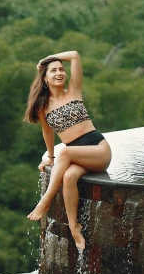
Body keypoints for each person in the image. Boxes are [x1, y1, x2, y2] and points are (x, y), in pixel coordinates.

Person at [23, 51, 112, 250]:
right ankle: (74, 227)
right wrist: (51, 158)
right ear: (44, 78)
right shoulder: (43, 106)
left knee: (65, 153)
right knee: (69, 177)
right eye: (53, 70)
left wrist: (45, 59)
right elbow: (48, 134)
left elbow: (74, 55)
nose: (59, 73)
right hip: (77, 156)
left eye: (61, 69)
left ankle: (45, 201)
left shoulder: (74, 90)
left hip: (98, 150)